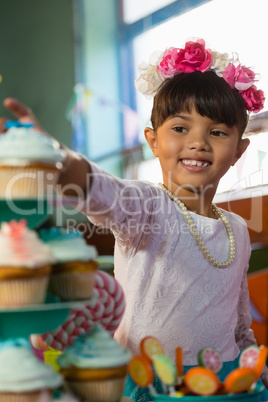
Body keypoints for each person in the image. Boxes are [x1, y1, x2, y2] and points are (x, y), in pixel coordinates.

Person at [1, 38, 268, 401]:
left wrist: (258, 374)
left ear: (239, 150)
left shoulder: (236, 228)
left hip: (223, 383)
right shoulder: (147, 205)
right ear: (153, 140)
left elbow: (239, 323)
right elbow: (101, 190)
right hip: (149, 379)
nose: (198, 142)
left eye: (217, 132)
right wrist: (54, 157)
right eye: (180, 128)